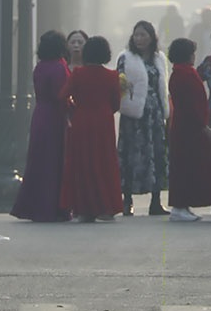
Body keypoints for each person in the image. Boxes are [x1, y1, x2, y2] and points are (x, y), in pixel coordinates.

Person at [60, 36, 124, 221]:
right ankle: (106, 206)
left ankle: (83, 208)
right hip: (104, 121)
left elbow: (63, 96)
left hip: (82, 119)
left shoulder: (78, 74)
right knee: (104, 163)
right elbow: (116, 103)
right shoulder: (112, 75)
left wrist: (73, 110)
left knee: (83, 163)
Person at [12, 31, 72, 222]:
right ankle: (53, 208)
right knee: (54, 162)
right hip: (55, 116)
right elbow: (60, 95)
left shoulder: (40, 67)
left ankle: (34, 207)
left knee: (39, 161)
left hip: (40, 114)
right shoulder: (59, 68)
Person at [116, 21, 170, 217]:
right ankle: (127, 200)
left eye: (143, 35)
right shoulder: (126, 58)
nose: (139, 39)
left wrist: (166, 111)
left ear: (151, 38)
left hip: (155, 113)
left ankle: (155, 202)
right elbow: (118, 81)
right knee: (132, 155)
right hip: (134, 115)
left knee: (156, 154)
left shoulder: (159, 58)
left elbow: (163, 86)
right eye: (136, 35)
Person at [166, 39, 211, 221]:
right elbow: (192, 104)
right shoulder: (184, 74)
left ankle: (183, 205)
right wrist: (203, 126)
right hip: (188, 128)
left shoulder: (182, 73)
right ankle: (179, 206)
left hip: (187, 126)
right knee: (185, 167)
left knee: (187, 166)